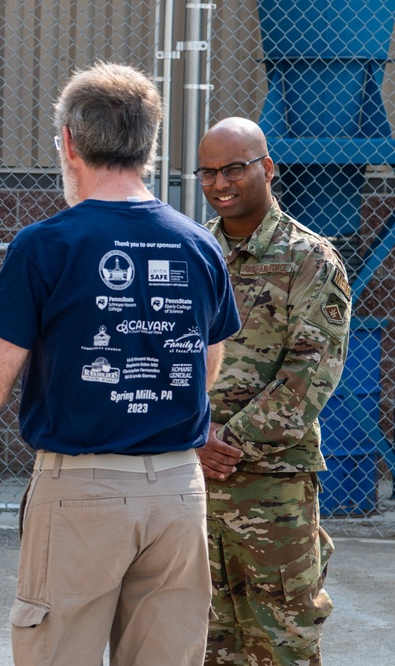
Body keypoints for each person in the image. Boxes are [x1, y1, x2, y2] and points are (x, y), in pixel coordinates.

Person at [0, 62, 241, 666]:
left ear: (68, 142)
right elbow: (206, 367)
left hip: (82, 488)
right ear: (150, 144)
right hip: (178, 491)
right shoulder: (200, 245)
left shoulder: (46, 244)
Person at [195, 117, 350, 665]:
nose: (220, 183)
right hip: (191, 478)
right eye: (208, 172)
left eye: (234, 168)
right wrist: (194, 439)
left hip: (271, 488)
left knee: (279, 638)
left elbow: (311, 374)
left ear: (267, 168)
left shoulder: (309, 258)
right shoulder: (193, 254)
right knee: (199, 635)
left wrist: (224, 442)